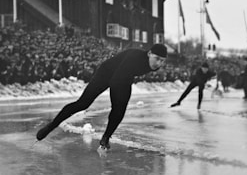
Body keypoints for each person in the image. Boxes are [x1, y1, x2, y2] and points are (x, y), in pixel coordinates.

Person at [36, 44, 167, 149]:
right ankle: (51, 126)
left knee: (120, 109)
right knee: (83, 103)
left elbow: (124, 78)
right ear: (149, 53)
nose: (158, 63)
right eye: (157, 59)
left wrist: (119, 103)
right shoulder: (135, 57)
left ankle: (105, 138)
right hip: (106, 73)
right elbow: (116, 80)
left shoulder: (153, 65)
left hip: (125, 76)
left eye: (162, 61)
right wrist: (116, 100)